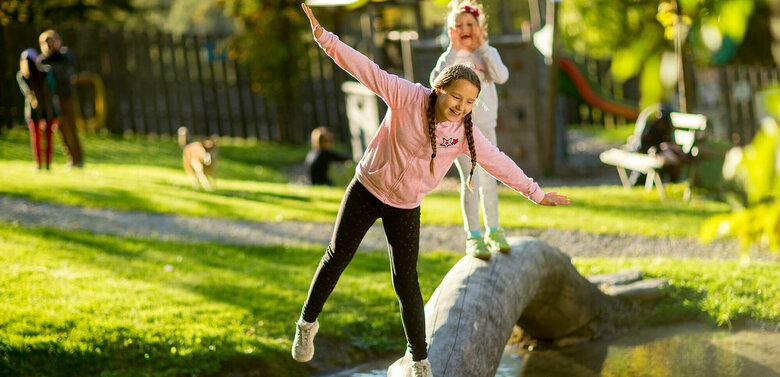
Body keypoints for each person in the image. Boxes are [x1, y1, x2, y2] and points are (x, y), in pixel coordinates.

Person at [294, 4, 569, 377]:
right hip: (367, 188)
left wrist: (535, 193)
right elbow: (365, 69)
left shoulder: (464, 132)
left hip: (405, 204)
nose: (461, 107)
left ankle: (420, 360)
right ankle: (307, 324)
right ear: (439, 88)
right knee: (337, 255)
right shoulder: (406, 96)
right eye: (456, 97)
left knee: (406, 280)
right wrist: (325, 39)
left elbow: (499, 162)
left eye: (469, 102)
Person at [430, 0, 511, 260]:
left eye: (470, 24)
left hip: (486, 128)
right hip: (460, 129)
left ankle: (494, 230)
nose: (465, 29)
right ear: (451, 30)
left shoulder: (487, 53)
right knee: (472, 180)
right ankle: (473, 236)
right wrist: (453, 50)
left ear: (479, 27)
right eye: (459, 25)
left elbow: (502, 76)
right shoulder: (450, 57)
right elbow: (435, 82)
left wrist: (483, 47)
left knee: (491, 179)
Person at [39, 29, 84, 169]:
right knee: (60, 129)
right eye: (46, 43)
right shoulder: (43, 60)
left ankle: (79, 160)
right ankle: (71, 159)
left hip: (67, 96)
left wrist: (57, 50)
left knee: (72, 128)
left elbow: (70, 63)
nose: (49, 45)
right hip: (53, 98)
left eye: (52, 42)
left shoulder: (65, 55)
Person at [17, 48, 58, 170]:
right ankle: (47, 164)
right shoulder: (45, 72)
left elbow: (26, 92)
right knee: (48, 137)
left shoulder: (22, 76)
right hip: (48, 108)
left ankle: (39, 163)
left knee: (36, 137)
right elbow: (52, 87)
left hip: (33, 108)